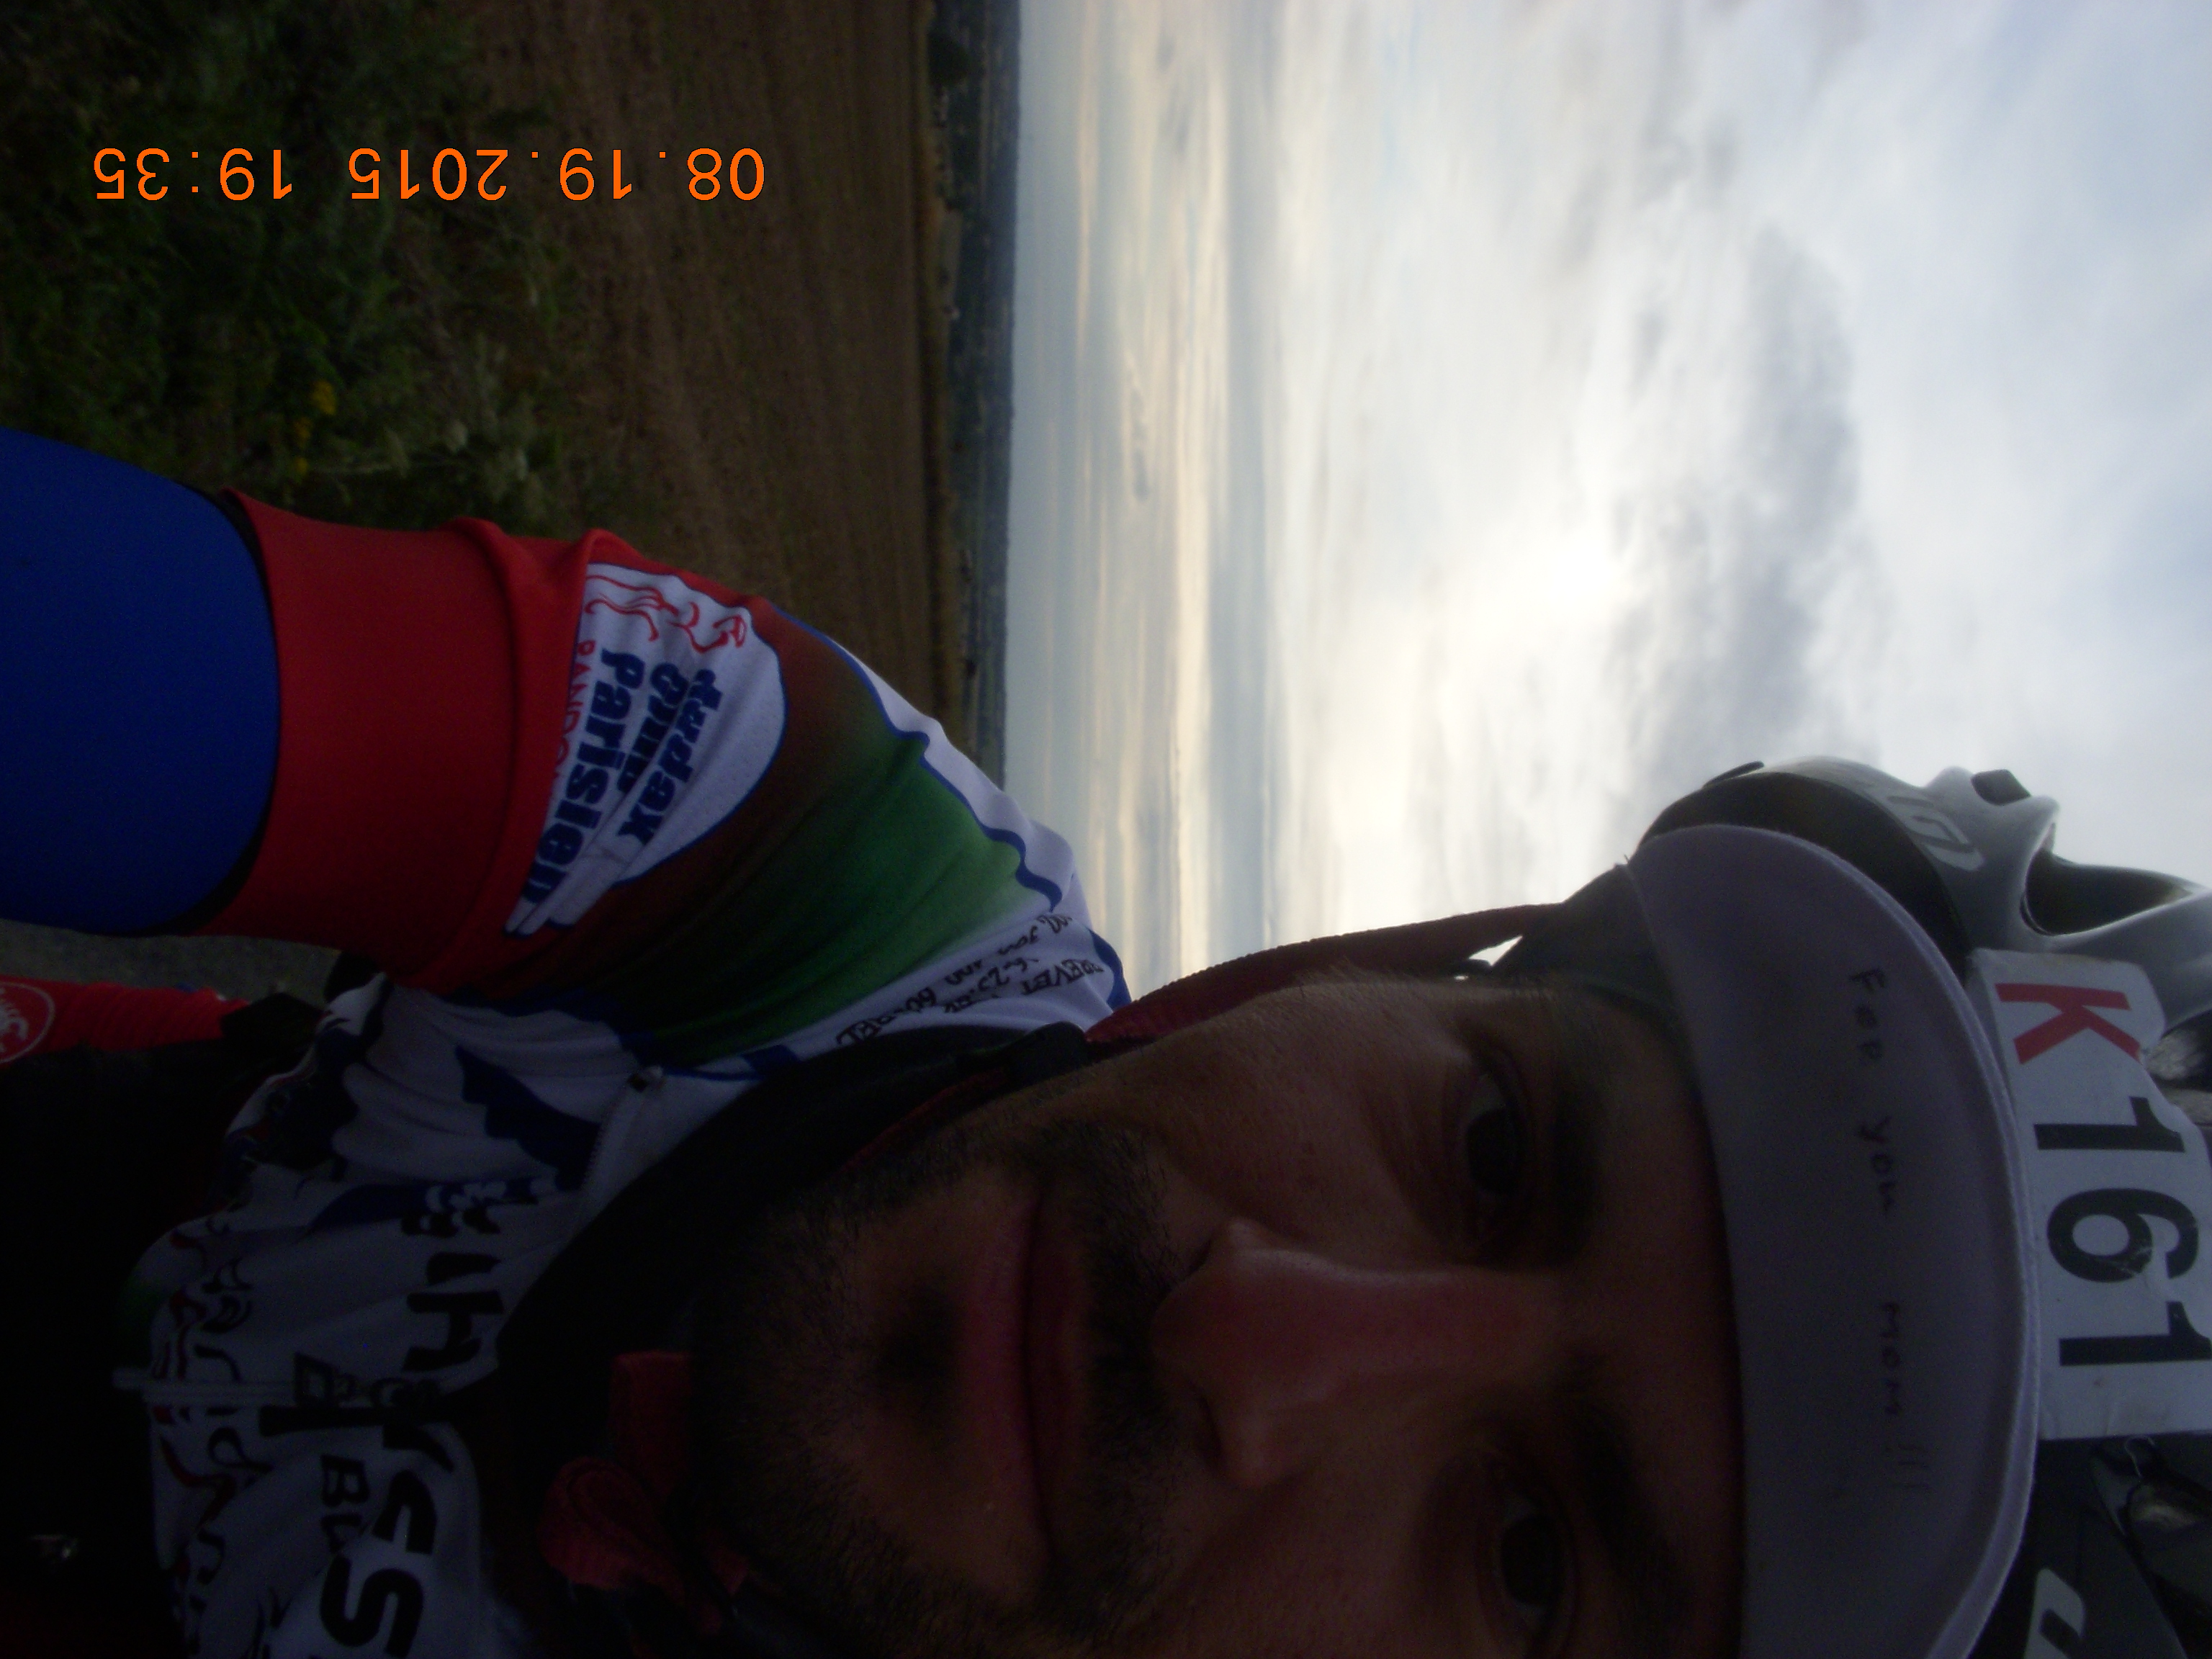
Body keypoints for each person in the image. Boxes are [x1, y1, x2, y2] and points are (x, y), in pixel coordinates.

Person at [4, 424, 2211, 1659]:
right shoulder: (838, 877)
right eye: (1494, 1142)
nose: (1255, 1332)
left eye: (1536, 1561)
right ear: (1361, 972)